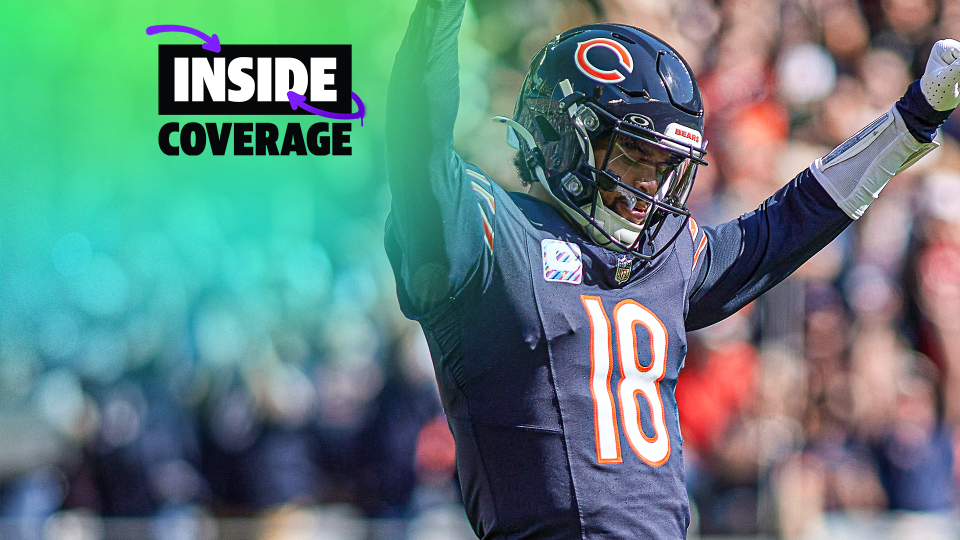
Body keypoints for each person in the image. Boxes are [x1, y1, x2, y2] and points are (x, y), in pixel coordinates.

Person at [383, 0, 960, 537]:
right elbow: (418, 138)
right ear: (563, 135)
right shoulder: (488, 237)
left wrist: (913, 121)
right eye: (635, 155)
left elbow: (788, 223)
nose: (650, 186)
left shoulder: (666, 256)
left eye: (666, 165)